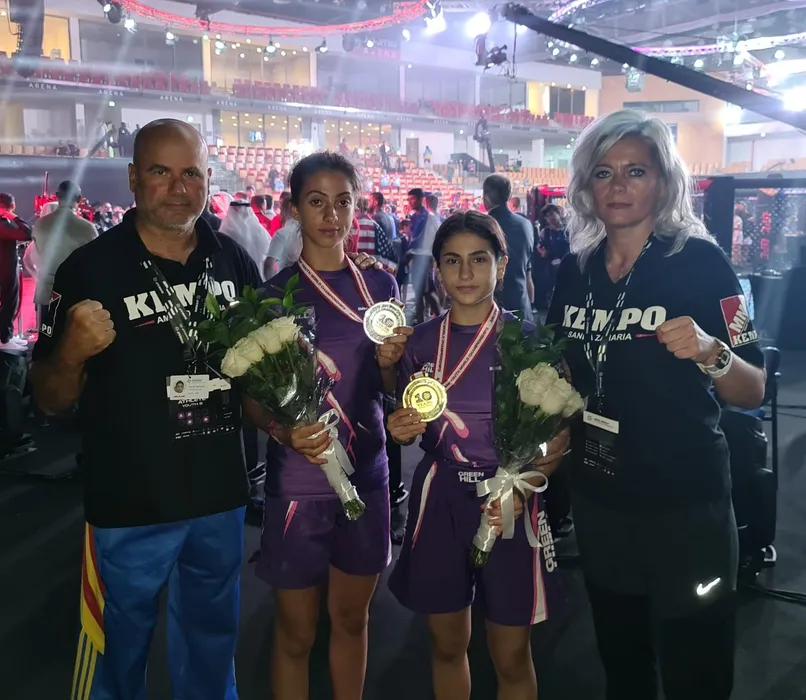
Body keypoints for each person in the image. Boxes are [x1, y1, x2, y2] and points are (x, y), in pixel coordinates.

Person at [30, 119, 264, 699]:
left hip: (218, 495)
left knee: (212, 648)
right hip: (129, 500)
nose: (179, 188)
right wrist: (70, 353)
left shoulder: (234, 262)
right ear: (134, 178)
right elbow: (50, 400)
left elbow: (259, 382)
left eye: (192, 174)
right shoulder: (89, 269)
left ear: (208, 180)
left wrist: (292, 419)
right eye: (162, 171)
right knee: (116, 652)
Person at [547, 108, 766, 700]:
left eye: (636, 171)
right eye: (604, 172)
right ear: (586, 186)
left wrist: (711, 352)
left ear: (664, 183)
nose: (618, 185)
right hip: (600, 501)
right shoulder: (574, 271)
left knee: (697, 673)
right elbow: (562, 375)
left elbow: (754, 388)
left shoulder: (703, 262)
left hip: (685, 508)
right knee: (624, 668)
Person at [246, 151, 411, 700]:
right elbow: (252, 399)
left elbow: (390, 388)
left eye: (343, 202)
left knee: (352, 620)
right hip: (297, 480)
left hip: (367, 474)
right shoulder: (273, 298)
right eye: (316, 202)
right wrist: (281, 433)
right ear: (294, 208)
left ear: (357, 206)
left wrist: (392, 366)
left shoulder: (380, 290)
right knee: (295, 633)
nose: (331, 215)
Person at [387, 210, 567, 700]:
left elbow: (560, 434)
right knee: (447, 646)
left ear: (501, 265)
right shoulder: (419, 342)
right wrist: (399, 428)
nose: (465, 273)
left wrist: (523, 486)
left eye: (479, 259)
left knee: (511, 655)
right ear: (438, 270)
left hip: (509, 500)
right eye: (452, 261)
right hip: (441, 496)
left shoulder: (529, 342)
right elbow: (408, 416)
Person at [26, 181, 97, 325]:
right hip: (76, 294)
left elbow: (32, 257)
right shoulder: (87, 228)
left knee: (46, 335)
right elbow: (95, 262)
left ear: (57, 196)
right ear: (80, 199)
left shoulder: (40, 224)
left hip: (46, 292)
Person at [483, 174, 534, 322]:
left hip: (491, 309)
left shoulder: (482, 225)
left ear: (486, 197)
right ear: (509, 195)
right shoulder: (526, 224)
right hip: (522, 305)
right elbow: (527, 269)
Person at [0, 193, 32, 350]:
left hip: (6, 267)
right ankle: (4, 339)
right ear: (12, 206)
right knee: (9, 302)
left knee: (10, 302)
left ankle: (6, 335)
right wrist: (15, 217)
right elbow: (27, 233)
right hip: (5, 269)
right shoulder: (2, 222)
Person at [220, 199, 271, 280]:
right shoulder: (259, 230)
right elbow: (268, 250)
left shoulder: (225, 229)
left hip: (233, 275)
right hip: (256, 274)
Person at [533, 203, 569, 312]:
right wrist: (542, 251)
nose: (550, 218)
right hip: (550, 267)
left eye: (552, 214)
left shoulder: (568, 230)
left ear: (558, 213)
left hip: (568, 264)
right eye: (547, 216)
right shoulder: (545, 232)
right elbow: (539, 246)